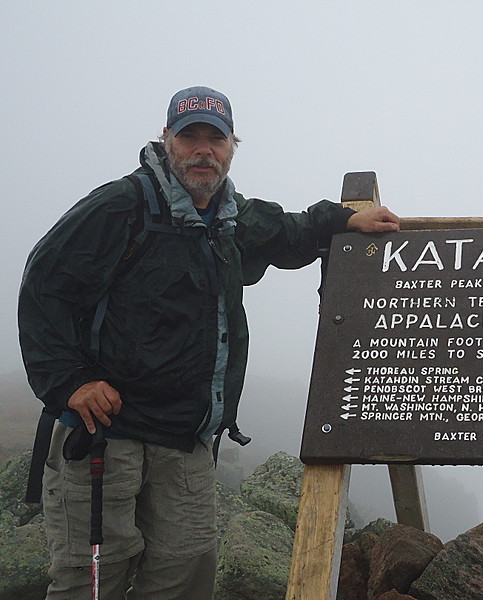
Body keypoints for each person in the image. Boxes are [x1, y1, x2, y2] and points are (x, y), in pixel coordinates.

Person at [18, 86, 400, 600]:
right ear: (167, 140)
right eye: (189, 136)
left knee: (185, 574)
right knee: (93, 581)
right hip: (107, 434)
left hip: (188, 436)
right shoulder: (121, 206)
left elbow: (290, 231)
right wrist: (69, 382)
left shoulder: (230, 216)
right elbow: (44, 286)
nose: (203, 150)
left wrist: (345, 220)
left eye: (214, 139)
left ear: (231, 147)